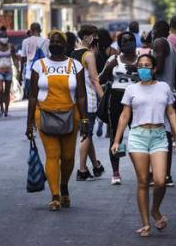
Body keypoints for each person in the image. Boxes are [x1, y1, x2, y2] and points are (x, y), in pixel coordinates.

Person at [111, 54, 176, 237]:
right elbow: (124, 116)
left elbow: (171, 113)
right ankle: (145, 223)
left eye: (147, 66)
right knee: (143, 182)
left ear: (155, 68)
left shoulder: (164, 87)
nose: (144, 69)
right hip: (138, 136)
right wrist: (117, 140)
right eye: (141, 66)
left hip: (159, 136)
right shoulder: (131, 89)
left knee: (160, 180)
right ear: (137, 68)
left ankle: (155, 210)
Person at [25, 31, 88, 211]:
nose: (55, 44)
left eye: (59, 41)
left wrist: (84, 119)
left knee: (68, 157)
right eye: (52, 41)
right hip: (44, 114)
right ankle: (55, 196)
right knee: (52, 155)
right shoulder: (39, 65)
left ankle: (64, 185)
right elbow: (32, 96)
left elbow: (82, 95)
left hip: (71, 115)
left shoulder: (75, 65)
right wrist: (29, 123)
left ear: (66, 44)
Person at [100, 32, 140, 185]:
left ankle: (142, 169)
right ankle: (116, 172)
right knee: (117, 136)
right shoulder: (113, 59)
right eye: (125, 41)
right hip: (117, 99)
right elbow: (101, 79)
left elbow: (152, 78)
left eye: (131, 40)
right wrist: (110, 67)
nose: (128, 43)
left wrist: (138, 69)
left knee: (139, 135)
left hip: (137, 100)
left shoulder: (142, 60)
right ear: (120, 44)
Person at [71, 25, 105, 181]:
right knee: (86, 134)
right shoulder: (88, 55)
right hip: (89, 100)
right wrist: (103, 98)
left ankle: (96, 167)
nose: (95, 39)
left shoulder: (73, 53)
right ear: (86, 37)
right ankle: (82, 170)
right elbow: (94, 79)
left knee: (87, 133)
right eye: (93, 36)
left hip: (75, 100)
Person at [152, 20, 176, 186]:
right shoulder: (172, 46)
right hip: (169, 92)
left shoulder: (159, 42)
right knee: (165, 133)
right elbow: (175, 74)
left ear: (157, 30)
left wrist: (145, 75)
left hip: (158, 92)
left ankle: (160, 174)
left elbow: (159, 66)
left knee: (156, 134)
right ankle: (166, 174)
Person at [0, 27, 18, 117]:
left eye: (6, 36)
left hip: (8, 71)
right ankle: (1, 108)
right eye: (3, 37)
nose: (4, 38)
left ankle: (6, 110)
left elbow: (14, 58)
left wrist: (18, 69)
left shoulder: (11, 46)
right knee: (0, 90)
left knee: (7, 90)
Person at [21, 23, 49, 99]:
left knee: (32, 95)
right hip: (44, 71)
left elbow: (23, 58)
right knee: (43, 94)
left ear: (31, 30)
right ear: (40, 30)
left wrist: (21, 72)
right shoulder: (47, 41)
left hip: (30, 72)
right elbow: (49, 57)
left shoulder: (26, 41)